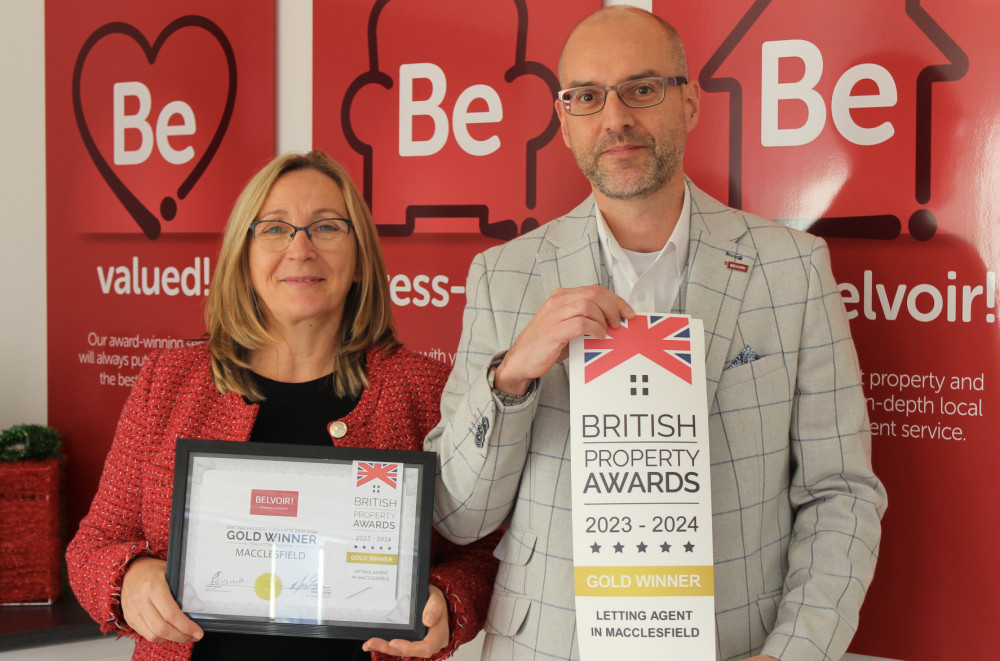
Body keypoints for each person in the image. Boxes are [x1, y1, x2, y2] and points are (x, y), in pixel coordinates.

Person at [425, 7, 886, 661]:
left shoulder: (792, 270)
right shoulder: (504, 276)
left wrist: (797, 650)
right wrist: (511, 376)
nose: (615, 119)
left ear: (690, 101)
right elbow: (458, 513)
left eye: (642, 89)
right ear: (564, 120)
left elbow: (840, 491)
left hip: (734, 644)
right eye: (587, 96)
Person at [67, 150, 500, 661]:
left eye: (326, 227)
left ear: (360, 257)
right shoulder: (168, 382)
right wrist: (129, 578)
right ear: (243, 256)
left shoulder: (427, 392)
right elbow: (94, 545)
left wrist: (450, 602)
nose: (300, 249)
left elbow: (484, 552)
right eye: (274, 229)